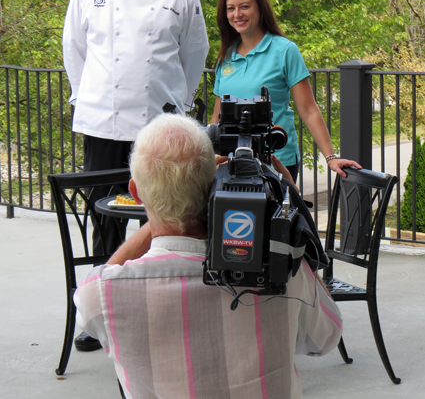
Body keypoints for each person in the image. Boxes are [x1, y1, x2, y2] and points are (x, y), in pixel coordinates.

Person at [74, 113, 343, 399]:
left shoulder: (103, 294)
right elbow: (325, 338)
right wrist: (292, 211)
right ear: (212, 186)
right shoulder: (281, 271)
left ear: (136, 193)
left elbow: (91, 290)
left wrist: (160, 214)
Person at [63, 0, 209, 350]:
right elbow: (75, 53)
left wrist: (173, 107)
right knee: (103, 217)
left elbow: (194, 58)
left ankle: (161, 304)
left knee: (167, 220)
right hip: (102, 125)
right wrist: (90, 98)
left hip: (157, 129)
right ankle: (101, 316)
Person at [212, 0, 360, 182]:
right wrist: (211, 158)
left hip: (276, 162)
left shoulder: (285, 50)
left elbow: (308, 110)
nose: (237, 14)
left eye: (244, 6)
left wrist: (331, 157)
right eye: (230, 8)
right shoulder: (225, 58)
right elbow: (217, 118)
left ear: (260, 8)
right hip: (231, 163)